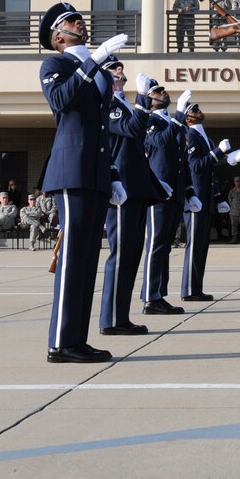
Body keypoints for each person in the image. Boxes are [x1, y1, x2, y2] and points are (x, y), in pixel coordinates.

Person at [38, 0, 127, 363]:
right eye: (71, 21)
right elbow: (61, 100)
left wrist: (114, 175)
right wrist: (94, 61)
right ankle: (60, 342)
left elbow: (104, 130)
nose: (81, 23)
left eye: (79, 19)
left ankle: (76, 338)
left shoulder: (97, 72)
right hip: (71, 172)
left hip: (94, 174)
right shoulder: (55, 63)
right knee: (73, 258)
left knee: (88, 259)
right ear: (59, 36)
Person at [98, 58, 167, 336]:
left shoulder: (124, 105)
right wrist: (141, 99)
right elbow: (132, 129)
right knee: (121, 253)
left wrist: (155, 183)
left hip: (136, 189)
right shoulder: (110, 105)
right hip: (121, 191)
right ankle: (111, 319)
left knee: (132, 255)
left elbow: (139, 152)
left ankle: (121, 317)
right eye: (114, 69)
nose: (120, 72)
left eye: (121, 69)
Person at [141, 84, 193, 316]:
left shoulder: (173, 123)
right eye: (157, 91)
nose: (163, 93)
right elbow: (160, 142)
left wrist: (188, 192)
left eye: (163, 90)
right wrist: (179, 117)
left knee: (165, 245)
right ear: (148, 100)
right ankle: (150, 297)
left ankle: (159, 295)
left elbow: (182, 162)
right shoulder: (150, 122)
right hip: (159, 191)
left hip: (175, 192)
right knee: (155, 244)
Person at [177, 92, 232, 301]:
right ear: (187, 117)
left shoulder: (204, 136)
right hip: (196, 199)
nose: (199, 111)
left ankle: (196, 288)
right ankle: (189, 290)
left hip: (206, 198)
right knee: (194, 245)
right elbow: (196, 166)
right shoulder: (190, 135)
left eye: (198, 108)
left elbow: (210, 172)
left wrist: (218, 198)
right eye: (194, 109)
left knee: (202, 245)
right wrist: (217, 152)